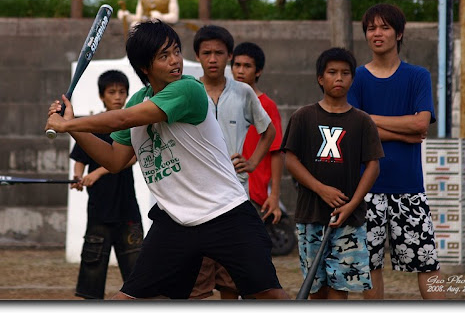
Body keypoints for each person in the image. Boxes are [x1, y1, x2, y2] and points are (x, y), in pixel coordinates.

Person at [45, 19, 289, 300]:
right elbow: (114, 160)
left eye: (176, 51)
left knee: (269, 295)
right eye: (164, 56)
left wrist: (69, 124)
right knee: (131, 299)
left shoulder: (189, 89)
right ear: (145, 67)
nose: (175, 61)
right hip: (175, 221)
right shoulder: (137, 100)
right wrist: (72, 127)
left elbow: (123, 119)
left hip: (225, 213)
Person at [347, 3, 444, 300]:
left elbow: (420, 123)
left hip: (409, 188)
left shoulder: (418, 76)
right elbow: (354, 129)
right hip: (366, 188)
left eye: (385, 27)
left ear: (399, 33)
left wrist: (368, 119)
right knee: (370, 266)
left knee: (427, 264)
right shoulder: (356, 78)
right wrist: (404, 133)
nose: (377, 33)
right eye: (371, 28)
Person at [283, 47, 383, 300]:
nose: (339, 78)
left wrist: (351, 205)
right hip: (311, 215)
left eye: (345, 73)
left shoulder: (362, 121)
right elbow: (290, 160)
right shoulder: (303, 117)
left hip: (349, 219)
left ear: (352, 79)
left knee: (340, 287)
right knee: (315, 288)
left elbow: (373, 166)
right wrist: (321, 189)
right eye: (332, 72)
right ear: (320, 78)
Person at [190, 26, 276, 300]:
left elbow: (269, 131)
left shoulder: (243, 92)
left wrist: (252, 162)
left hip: (235, 194)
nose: (212, 59)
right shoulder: (188, 91)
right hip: (197, 196)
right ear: (197, 56)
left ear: (229, 56)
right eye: (206, 53)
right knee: (197, 278)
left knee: (232, 278)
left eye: (219, 53)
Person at [69, 70, 144, 299]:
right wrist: (78, 177)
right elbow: (79, 159)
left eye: (122, 92)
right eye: (112, 92)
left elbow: (130, 158)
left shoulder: (132, 124)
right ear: (102, 96)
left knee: (139, 276)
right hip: (99, 211)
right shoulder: (93, 125)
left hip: (127, 209)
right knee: (92, 275)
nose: (118, 97)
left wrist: (98, 173)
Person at [231, 41, 284, 224]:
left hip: (255, 193)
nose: (240, 71)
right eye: (237, 65)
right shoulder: (222, 101)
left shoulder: (267, 106)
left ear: (258, 71)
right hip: (227, 189)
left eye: (247, 66)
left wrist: (274, 195)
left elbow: (276, 152)